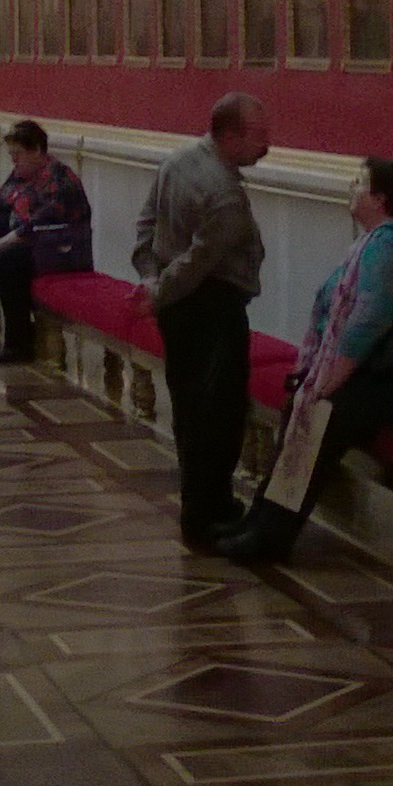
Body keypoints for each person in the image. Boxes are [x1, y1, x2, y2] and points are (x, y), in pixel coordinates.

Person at [221, 158, 393, 563]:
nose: (352, 188)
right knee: (303, 404)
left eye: (360, 183)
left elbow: (365, 326)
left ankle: (272, 535)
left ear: (380, 199)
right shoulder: (381, 241)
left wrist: (325, 383)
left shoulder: (390, 248)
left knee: (322, 413)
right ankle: (261, 519)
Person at [133, 93, 268, 547]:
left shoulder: (178, 160)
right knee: (217, 416)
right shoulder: (223, 193)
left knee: (190, 408)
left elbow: (146, 225)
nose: (266, 145)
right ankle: (207, 516)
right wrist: (159, 291)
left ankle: (204, 506)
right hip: (211, 307)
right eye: (259, 136)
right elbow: (199, 262)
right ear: (230, 135)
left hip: (178, 306)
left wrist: (150, 279)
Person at [0, 117, 92, 357]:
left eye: (18, 155)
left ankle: (19, 343)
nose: (13, 161)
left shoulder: (61, 180)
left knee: (7, 259)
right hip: (27, 248)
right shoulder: (19, 176)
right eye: (11, 155)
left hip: (60, 253)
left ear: (36, 150)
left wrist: (0, 243)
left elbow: (38, 226)